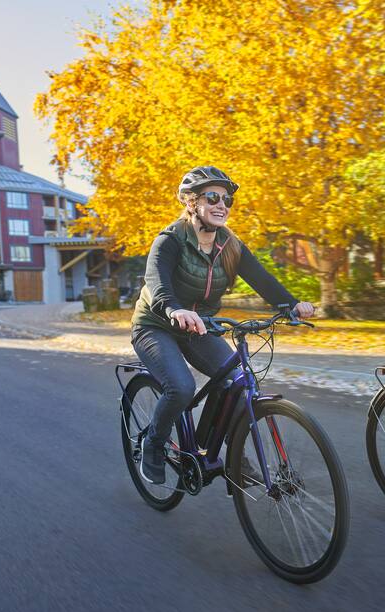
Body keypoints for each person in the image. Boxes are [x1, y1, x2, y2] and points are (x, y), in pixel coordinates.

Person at [130, 166, 316, 484]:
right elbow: (156, 281)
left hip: (201, 327)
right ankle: (154, 443)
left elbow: (262, 279)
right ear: (191, 202)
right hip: (156, 325)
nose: (222, 205)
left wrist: (291, 304)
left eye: (227, 199)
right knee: (181, 387)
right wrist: (174, 309)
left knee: (240, 380)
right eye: (213, 197)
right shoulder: (170, 240)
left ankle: (226, 451)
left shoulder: (230, 245)